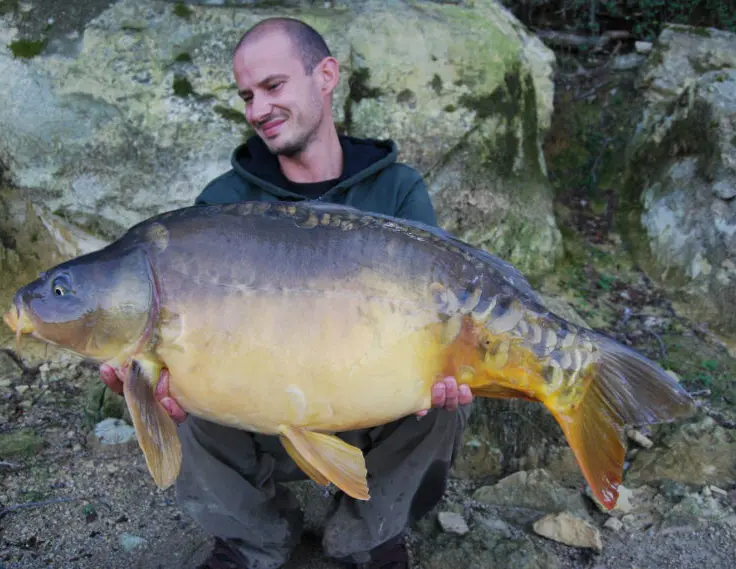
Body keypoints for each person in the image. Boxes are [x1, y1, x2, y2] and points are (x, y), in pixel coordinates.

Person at [100, 17, 473, 569]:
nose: (257, 110)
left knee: (449, 395)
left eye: (273, 87)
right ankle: (253, 539)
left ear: (325, 76)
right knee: (174, 384)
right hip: (261, 409)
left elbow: (437, 306)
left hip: (371, 399)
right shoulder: (222, 203)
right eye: (247, 95)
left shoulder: (397, 190)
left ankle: (367, 539)